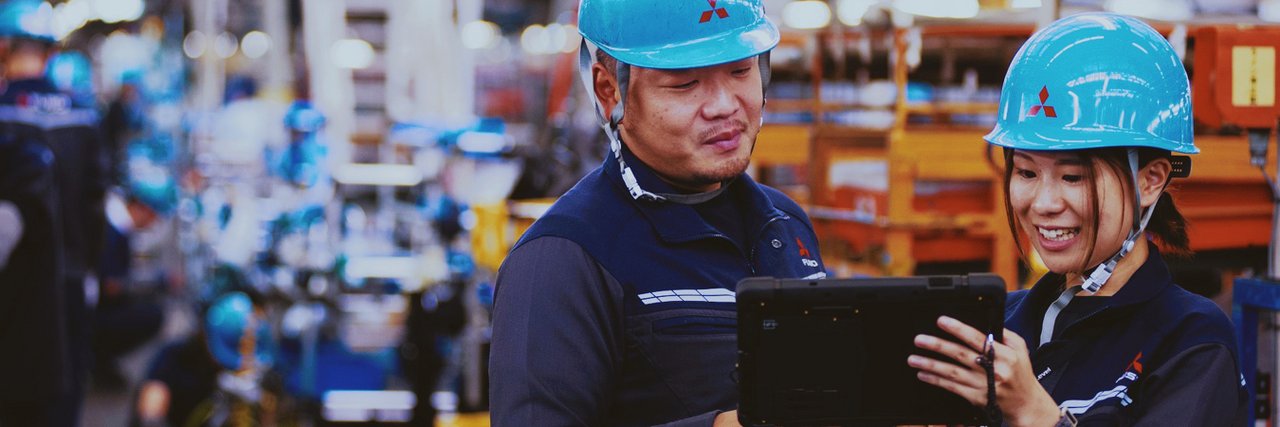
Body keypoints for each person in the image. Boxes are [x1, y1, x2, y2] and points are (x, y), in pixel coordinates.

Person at [488, 0, 827, 425]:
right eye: (685, 83)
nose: (724, 105)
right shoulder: (562, 259)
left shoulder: (785, 227)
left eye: (740, 70)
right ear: (610, 90)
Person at [908, 13, 1247, 426]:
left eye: (1073, 177)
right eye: (1027, 172)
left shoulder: (1192, 342)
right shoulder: (1004, 326)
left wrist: (1037, 415)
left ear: (1151, 180)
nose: (1044, 203)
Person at [0, 1, 106, 425]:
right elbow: (95, 201)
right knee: (64, 392)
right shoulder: (82, 114)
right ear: (50, 51)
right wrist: (91, 270)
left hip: (15, 289)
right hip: (73, 278)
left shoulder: (4, 113)